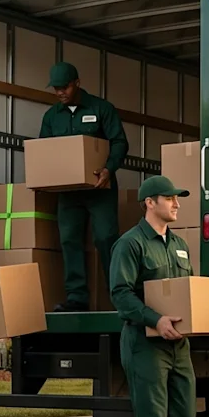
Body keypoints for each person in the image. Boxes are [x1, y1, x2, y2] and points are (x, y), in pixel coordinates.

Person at [107, 175, 196, 417]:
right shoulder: (130, 244)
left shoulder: (179, 245)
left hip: (178, 344)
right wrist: (155, 319)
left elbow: (188, 293)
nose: (176, 204)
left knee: (185, 416)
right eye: (170, 198)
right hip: (145, 344)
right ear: (149, 202)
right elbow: (121, 294)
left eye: (177, 198)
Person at [40, 61, 129, 312]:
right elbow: (44, 151)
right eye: (56, 88)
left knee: (106, 238)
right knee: (69, 240)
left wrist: (109, 169)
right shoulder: (51, 116)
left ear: (77, 83)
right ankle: (77, 298)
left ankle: (120, 295)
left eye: (64, 87)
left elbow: (120, 142)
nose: (60, 93)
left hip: (99, 188)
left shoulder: (101, 109)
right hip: (68, 192)